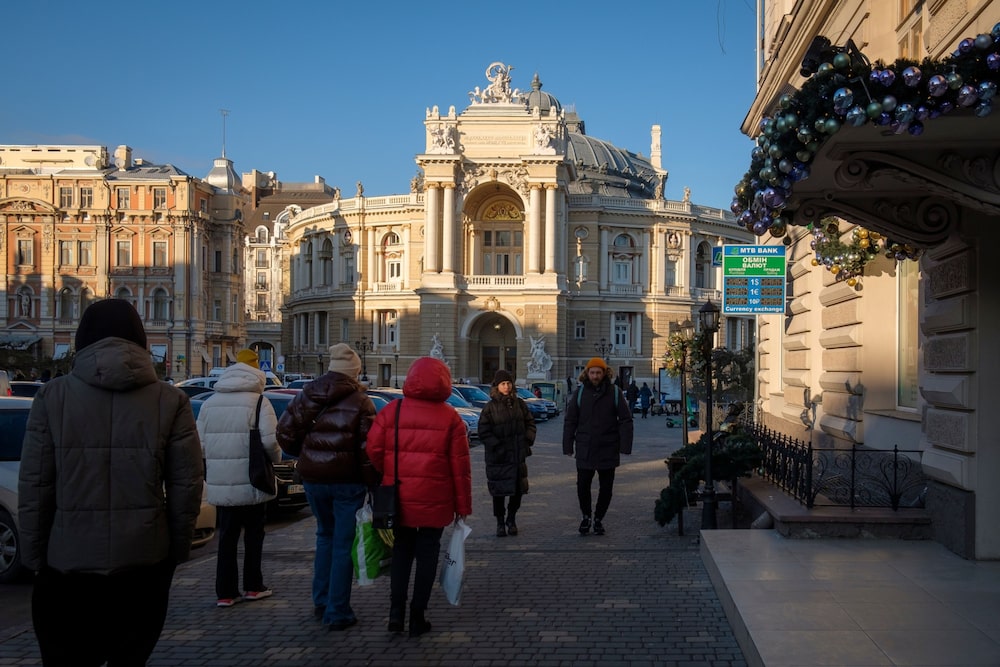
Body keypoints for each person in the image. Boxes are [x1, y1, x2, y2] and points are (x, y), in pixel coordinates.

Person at [18, 298, 204, 666]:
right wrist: (176, 551)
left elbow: (35, 486)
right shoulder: (171, 400)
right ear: (141, 340)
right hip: (143, 564)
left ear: (82, 340)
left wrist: (35, 558)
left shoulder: (52, 396)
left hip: (67, 568)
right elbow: (187, 486)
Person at [366, 357, 472, 637]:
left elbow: (373, 449)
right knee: (428, 556)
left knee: (401, 553)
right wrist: (463, 506)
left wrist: (388, 471)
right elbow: (460, 467)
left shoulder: (393, 410)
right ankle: (417, 616)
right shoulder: (450, 417)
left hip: (398, 496)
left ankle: (395, 614)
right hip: (435, 500)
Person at [276, 343, 377, 631]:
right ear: (354, 372)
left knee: (324, 537)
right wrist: (372, 483)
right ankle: (337, 611)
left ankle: (321, 602)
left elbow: (284, 434)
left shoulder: (307, 393)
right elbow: (367, 451)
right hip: (347, 482)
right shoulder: (361, 401)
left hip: (314, 480)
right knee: (343, 544)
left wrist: (308, 454)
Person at [197, 348, 280, 608]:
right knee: (254, 535)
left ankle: (225, 592)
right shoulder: (259, 402)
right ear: (257, 374)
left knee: (227, 537)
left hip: (222, 483)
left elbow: (200, 446)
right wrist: (276, 460)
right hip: (253, 479)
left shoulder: (209, 403)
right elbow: (271, 442)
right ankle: (253, 586)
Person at [562, 357, 633, 536]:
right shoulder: (579, 393)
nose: (595, 376)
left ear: (604, 373)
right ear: (587, 373)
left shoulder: (614, 392)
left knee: (606, 488)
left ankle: (599, 518)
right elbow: (570, 420)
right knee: (582, 486)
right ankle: (586, 516)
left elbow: (625, 419)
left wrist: (625, 446)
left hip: (608, 447)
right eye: (592, 372)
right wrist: (568, 446)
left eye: (598, 373)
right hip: (585, 447)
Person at [478, 369, 536, 537]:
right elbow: (483, 431)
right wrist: (497, 446)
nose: (506, 386)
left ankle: (511, 519)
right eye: (503, 383)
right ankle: (500, 523)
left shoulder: (520, 404)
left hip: (517, 456)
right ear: (497, 386)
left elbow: (530, 423)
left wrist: (527, 440)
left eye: (508, 383)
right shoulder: (489, 408)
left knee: (517, 491)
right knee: (499, 493)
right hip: (498, 458)